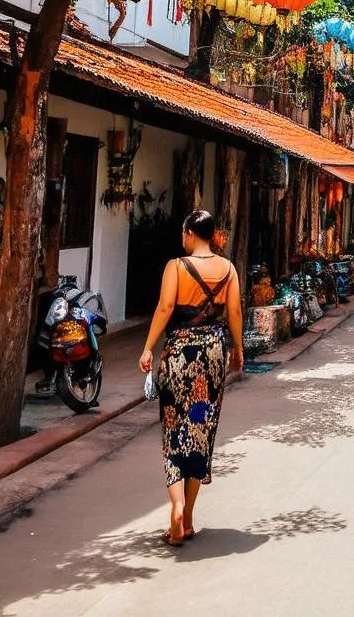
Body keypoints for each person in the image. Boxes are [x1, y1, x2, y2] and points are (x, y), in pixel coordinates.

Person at [139, 210, 244, 547]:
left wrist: (147, 347)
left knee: (174, 429)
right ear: (212, 235)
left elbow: (165, 307)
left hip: (179, 355)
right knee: (199, 430)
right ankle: (187, 520)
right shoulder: (228, 269)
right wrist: (238, 349)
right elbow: (235, 312)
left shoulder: (176, 266)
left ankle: (176, 505)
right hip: (213, 354)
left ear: (188, 233)